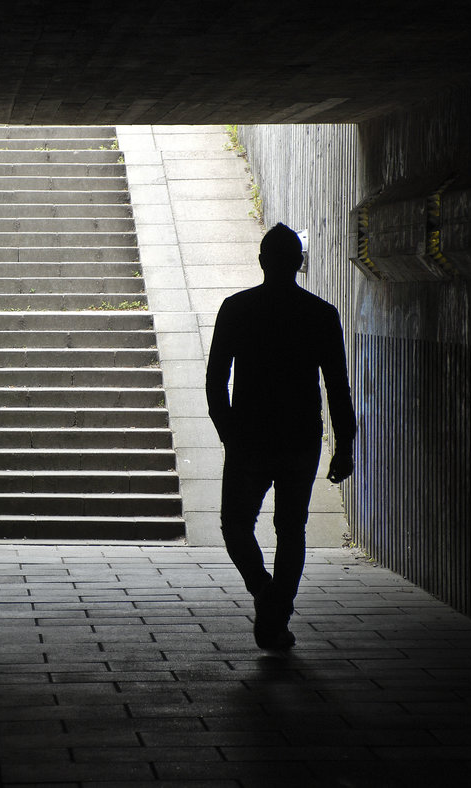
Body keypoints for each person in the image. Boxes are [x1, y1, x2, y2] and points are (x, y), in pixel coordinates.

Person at [205, 222, 356, 650]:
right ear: (299, 263)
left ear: (262, 261)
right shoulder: (321, 314)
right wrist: (344, 444)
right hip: (299, 440)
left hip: (249, 438)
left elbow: (216, 381)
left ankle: (264, 593)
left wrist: (228, 433)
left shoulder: (236, 309)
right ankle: (277, 609)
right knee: (292, 529)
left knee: (235, 524)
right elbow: (337, 386)